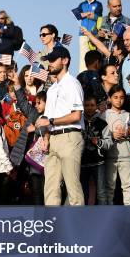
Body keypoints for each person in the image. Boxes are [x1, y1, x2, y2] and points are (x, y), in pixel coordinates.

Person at [35, 47, 85, 205]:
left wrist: (49, 122)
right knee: (50, 188)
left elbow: (77, 115)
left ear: (65, 61)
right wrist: (46, 138)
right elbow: (48, 118)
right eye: (49, 59)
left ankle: (78, 228)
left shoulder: (72, 83)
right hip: (53, 139)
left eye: (53, 59)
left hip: (70, 137)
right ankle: (53, 227)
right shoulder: (51, 89)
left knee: (73, 187)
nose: (50, 63)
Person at [100, 86, 130, 205]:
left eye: (122, 97)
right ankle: (109, 212)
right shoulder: (104, 115)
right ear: (109, 98)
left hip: (126, 156)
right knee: (110, 187)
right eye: (115, 97)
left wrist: (127, 132)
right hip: (110, 157)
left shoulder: (129, 115)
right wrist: (112, 135)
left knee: (127, 186)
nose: (119, 100)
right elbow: (101, 135)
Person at [80, 94, 108, 205]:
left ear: (96, 106)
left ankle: (104, 217)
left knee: (101, 192)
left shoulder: (102, 123)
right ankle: (84, 217)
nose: (89, 107)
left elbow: (109, 143)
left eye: (92, 105)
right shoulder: (79, 123)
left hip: (98, 163)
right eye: (86, 105)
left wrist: (99, 142)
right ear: (82, 106)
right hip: (82, 163)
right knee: (83, 193)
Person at [77, 0, 103, 72]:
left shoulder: (98, 4)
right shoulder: (82, 4)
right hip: (83, 33)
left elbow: (97, 17)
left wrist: (84, 14)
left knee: (94, 55)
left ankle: (94, 73)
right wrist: (88, 13)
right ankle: (82, 74)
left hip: (94, 34)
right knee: (83, 55)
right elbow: (77, 15)